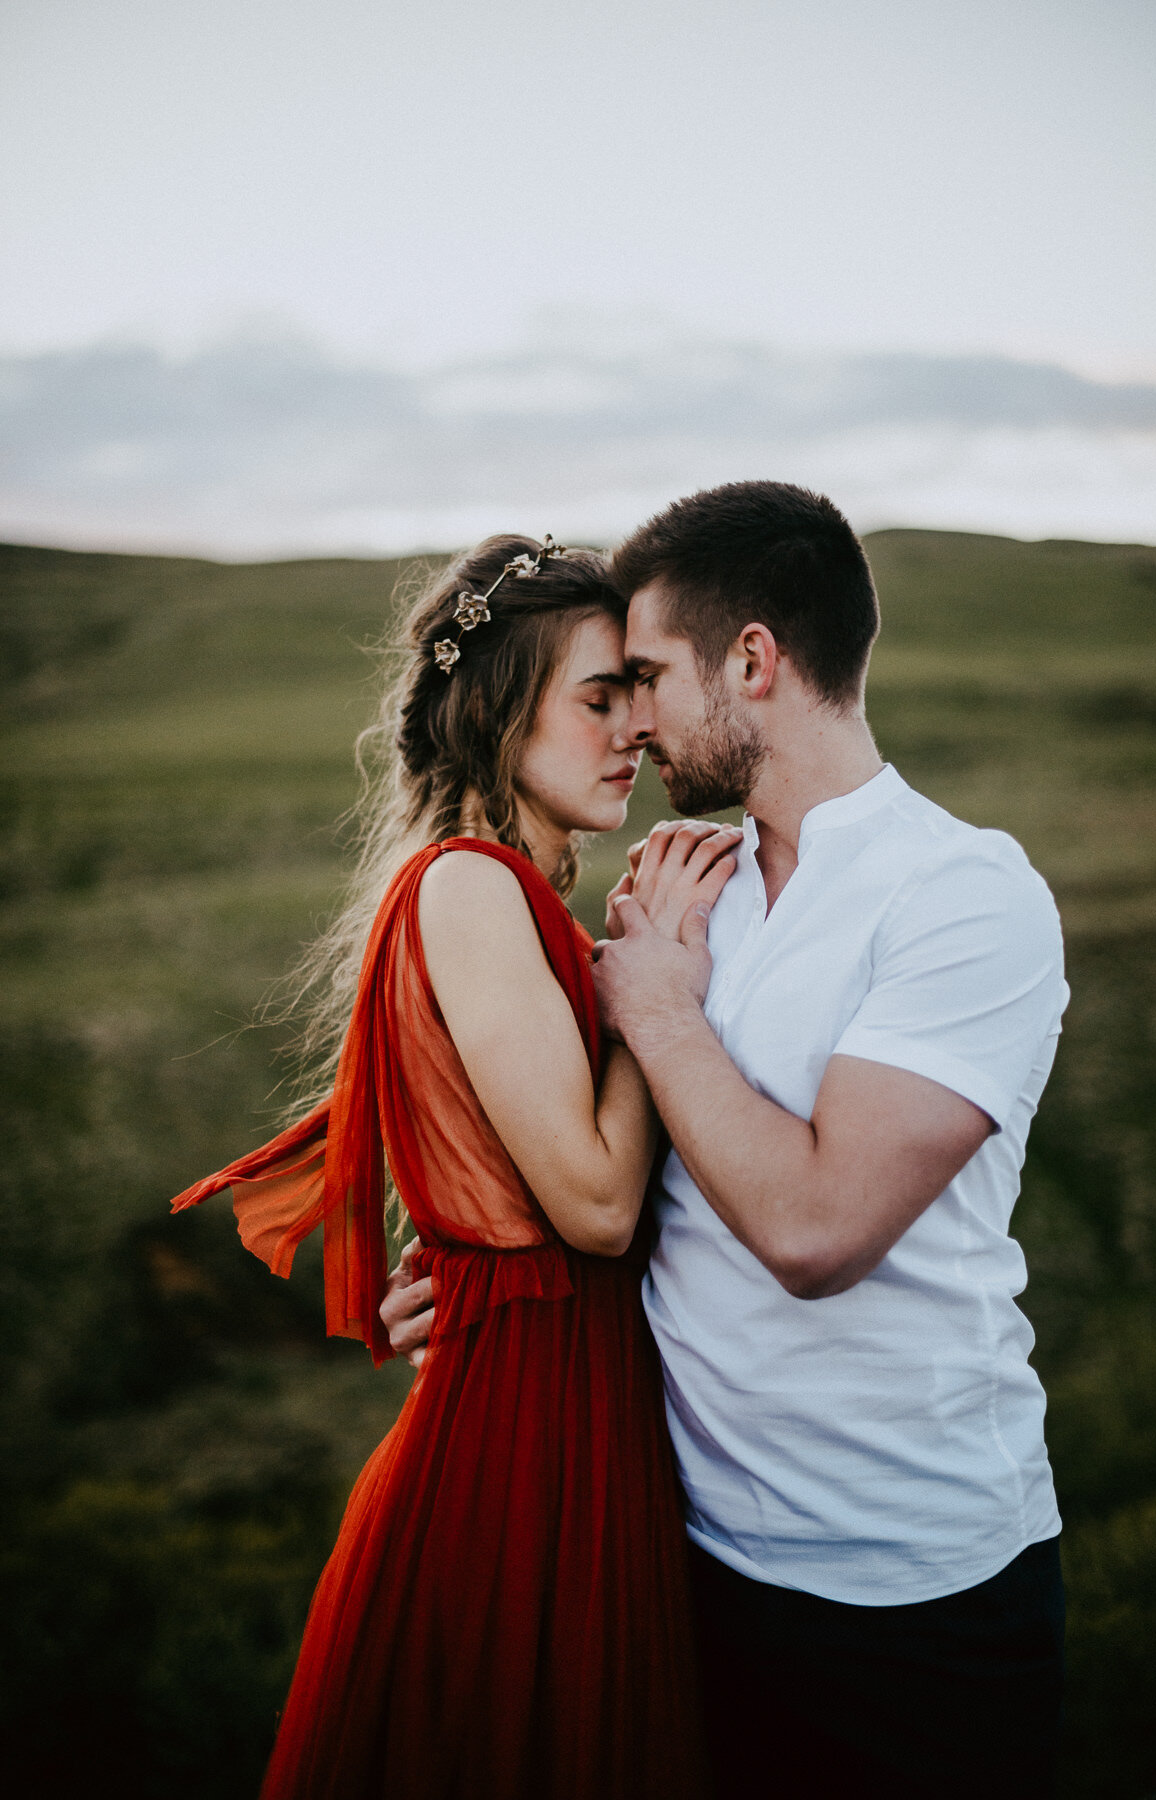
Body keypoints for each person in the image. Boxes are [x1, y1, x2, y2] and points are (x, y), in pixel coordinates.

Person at [388, 482, 1071, 1800]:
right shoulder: (682, 889)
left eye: (646, 676)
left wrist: (655, 1009)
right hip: (683, 1566)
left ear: (752, 659)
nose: (634, 721)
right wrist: (480, 1270)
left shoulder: (963, 895)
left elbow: (815, 1233)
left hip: (909, 1597)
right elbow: (644, 1196)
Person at [169, 535, 738, 1800]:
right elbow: (594, 1207)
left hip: (557, 1399)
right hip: (523, 1437)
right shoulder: (472, 890)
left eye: (636, 695)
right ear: (493, 710)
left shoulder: (503, 893)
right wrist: (657, 988)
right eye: (599, 698)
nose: (635, 729)